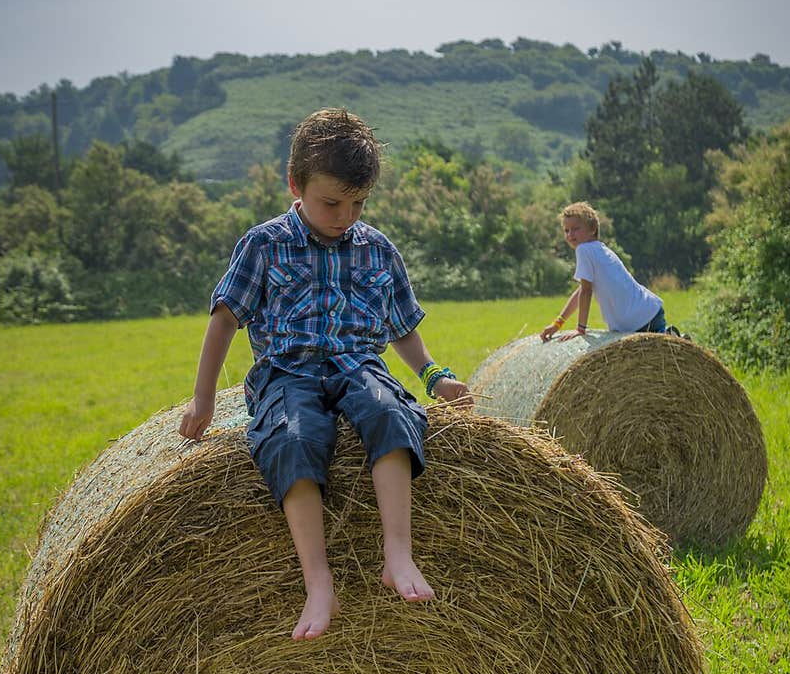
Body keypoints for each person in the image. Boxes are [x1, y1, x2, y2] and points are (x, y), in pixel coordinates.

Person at [179, 107, 472, 642]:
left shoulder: (378, 248)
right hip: (285, 372)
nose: (345, 216)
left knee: (389, 414)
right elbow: (223, 321)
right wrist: (201, 401)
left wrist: (435, 376)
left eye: (358, 204)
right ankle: (319, 581)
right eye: (332, 202)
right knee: (291, 439)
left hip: (359, 364)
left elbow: (402, 326)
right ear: (295, 184)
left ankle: (397, 554)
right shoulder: (264, 244)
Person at [540, 201, 684, 343]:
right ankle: (675, 340)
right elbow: (580, 292)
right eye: (566, 230)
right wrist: (558, 323)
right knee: (661, 357)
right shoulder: (600, 249)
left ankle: (672, 341)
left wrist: (580, 329)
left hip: (635, 322)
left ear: (592, 229)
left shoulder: (583, 250)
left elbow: (586, 291)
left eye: (576, 229)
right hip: (650, 311)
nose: (570, 234)